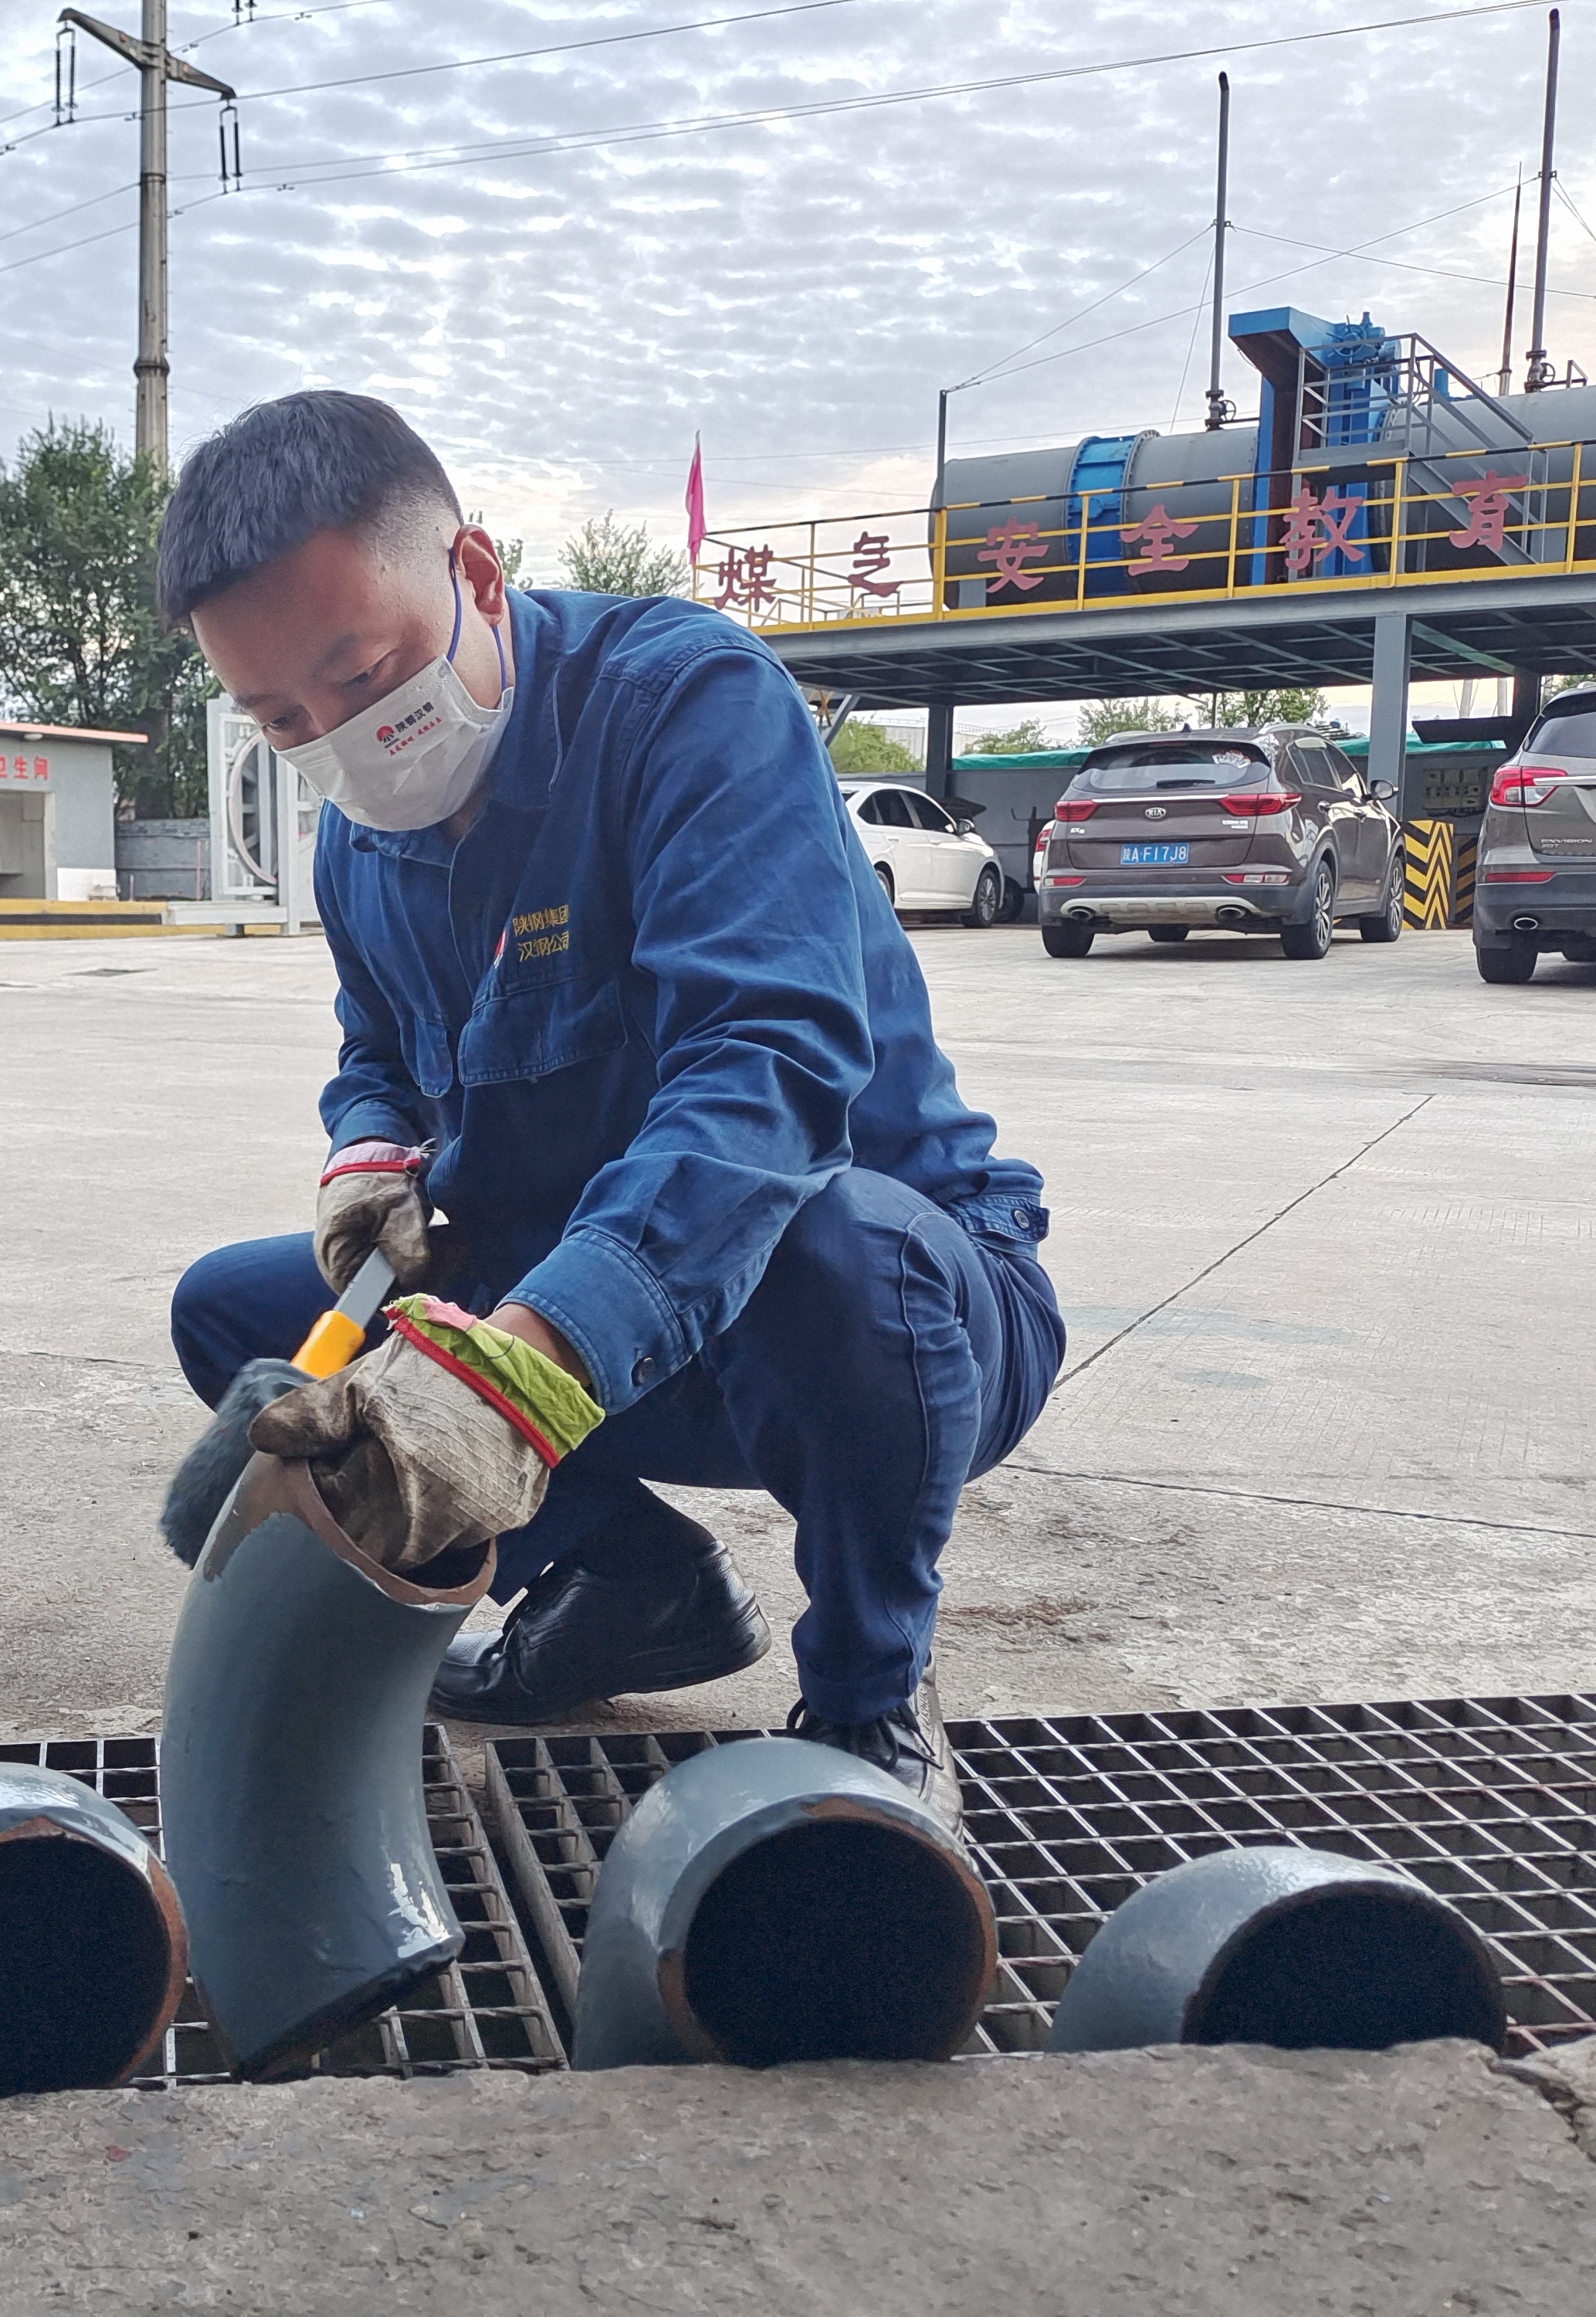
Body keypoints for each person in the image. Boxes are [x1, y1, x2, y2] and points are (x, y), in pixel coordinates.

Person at [160, 392, 1059, 1828]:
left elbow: (766, 1069)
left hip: (889, 1320)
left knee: (834, 1242)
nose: (343, 741)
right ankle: (634, 1591)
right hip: (602, 1321)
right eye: (283, 720)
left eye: (364, 674)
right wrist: (371, 1150)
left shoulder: (684, 705)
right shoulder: (360, 843)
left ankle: (870, 1701)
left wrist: (516, 1368)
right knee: (235, 1313)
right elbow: (378, 1043)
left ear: (474, 574)